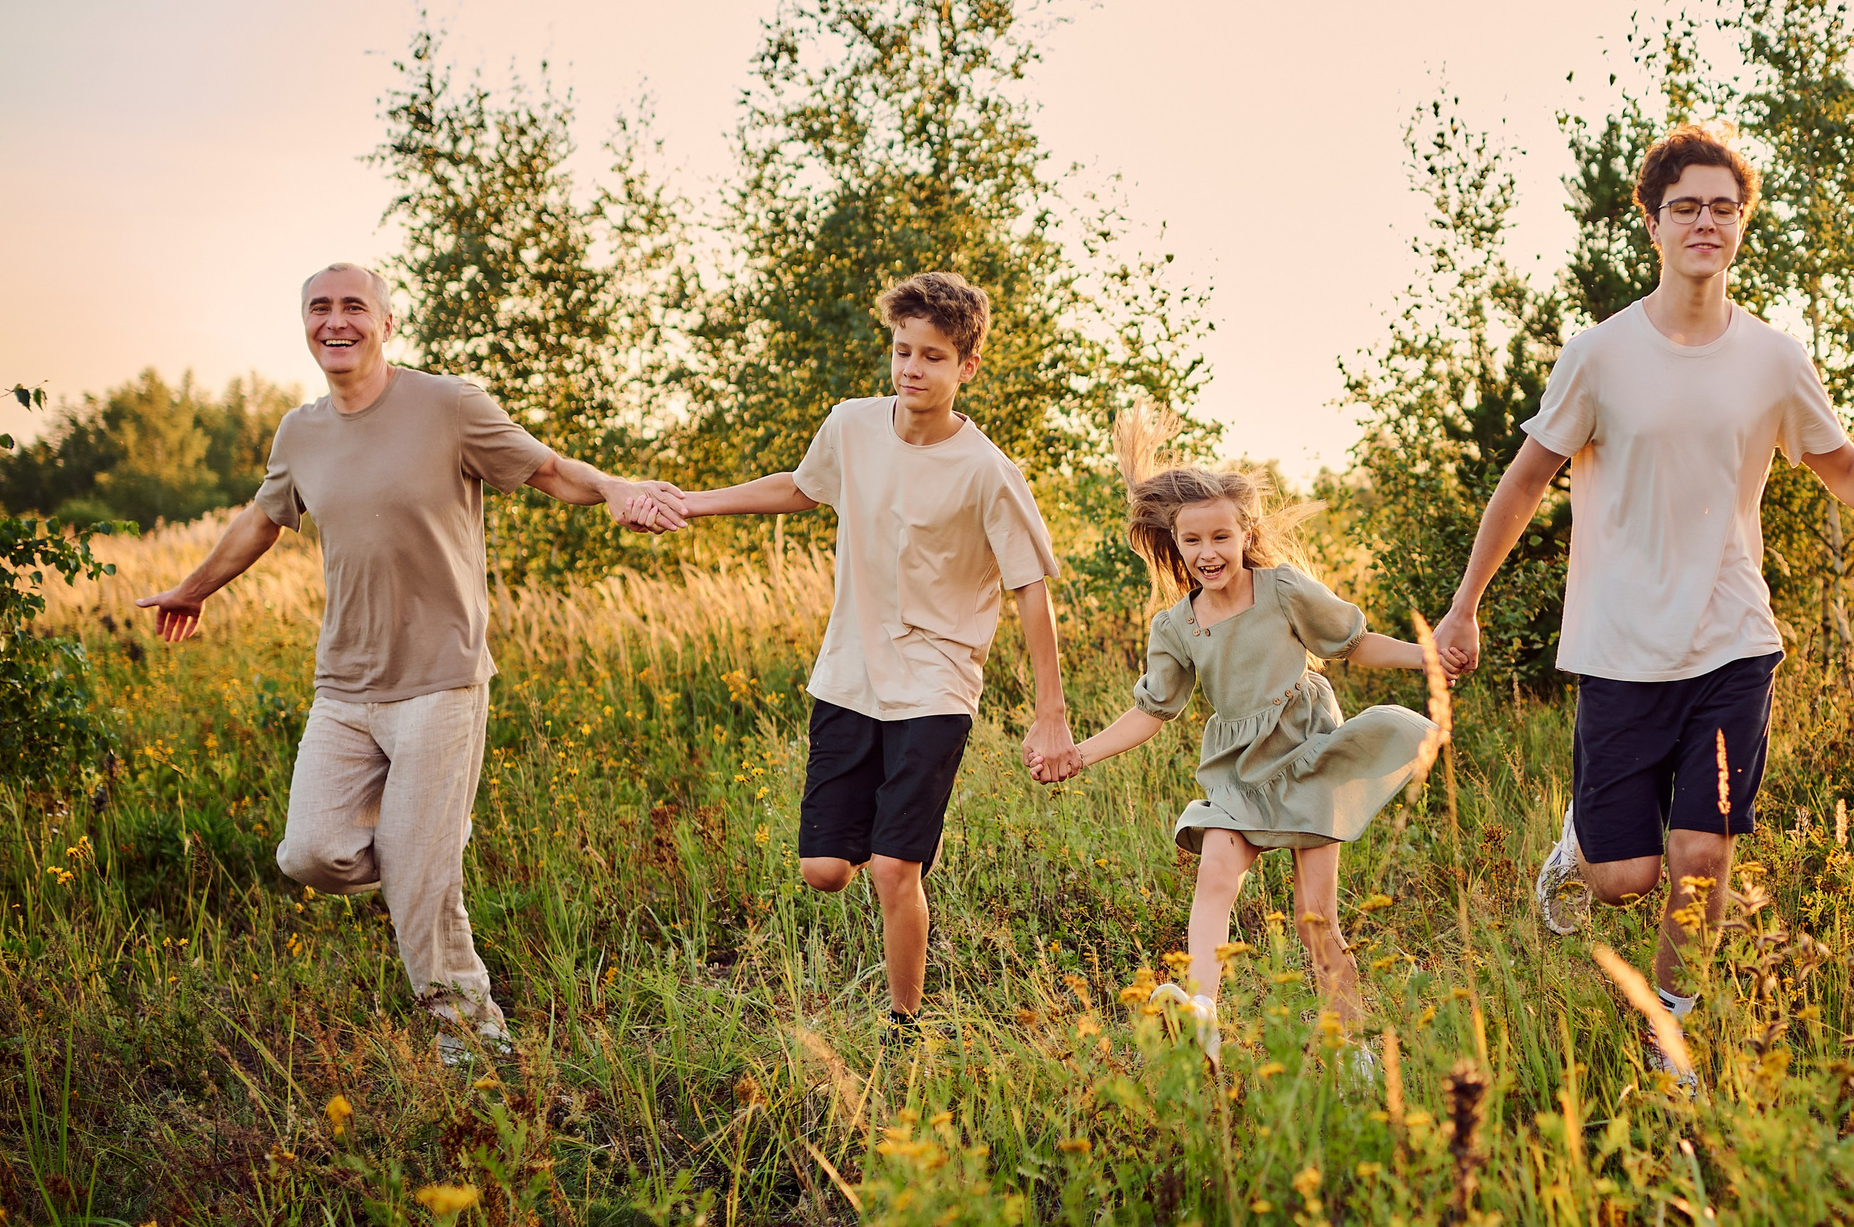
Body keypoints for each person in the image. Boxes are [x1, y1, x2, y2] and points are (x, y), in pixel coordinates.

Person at [1432, 123, 1854, 1078]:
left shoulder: (1773, 358)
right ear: (1654, 225)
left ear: (1741, 224)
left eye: (1723, 206)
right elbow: (1524, 481)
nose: (1705, 221)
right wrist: (1464, 605)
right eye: (1686, 208)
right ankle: (1577, 850)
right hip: (1621, 642)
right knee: (1624, 876)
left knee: (1702, 855)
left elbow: (1834, 459)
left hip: (1732, 636)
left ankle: (1673, 1032)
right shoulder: (1598, 353)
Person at [135, 263, 684, 1062]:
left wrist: (615, 487)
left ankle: (474, 1039)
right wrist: (194, 588)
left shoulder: (448, 405)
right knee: (310, 852)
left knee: (426, 885)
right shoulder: (300, 431)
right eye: (319, 307)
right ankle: (421, 850)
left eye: (354, 306)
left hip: (441, 679)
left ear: (387, 323)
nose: (336, 321)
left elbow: (548, 469)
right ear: (305, 325)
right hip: (345, 685)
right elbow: (262, 519)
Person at [665, 271, 1075, 1035]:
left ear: (967, 367)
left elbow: (1030, 589)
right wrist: (693, 501)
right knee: (824, 872)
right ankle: (893, 834)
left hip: (937, 682)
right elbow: (801, 487)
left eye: (933, 356)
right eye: (901, 351)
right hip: (849, 672)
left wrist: (1051, 716)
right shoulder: (851, 425)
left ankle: (903, 1022)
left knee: (893, 870)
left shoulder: (988, 471)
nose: (912, 369)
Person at [1046, 407, 1441, 1069]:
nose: (1208, 553)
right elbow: (1151, 711)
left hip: (1307, 756)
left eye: (1221, 537)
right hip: (1235, 770)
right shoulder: (1175, 626)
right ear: (1174, 544)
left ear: (1245, 533)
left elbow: (1351, 643)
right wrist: (1077, 753)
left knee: (1317, 920)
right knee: (1215, 875)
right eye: (1193, 541)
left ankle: (1353, 1054)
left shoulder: (1282, 589)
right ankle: (1202, 1010)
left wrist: (1426, 656)